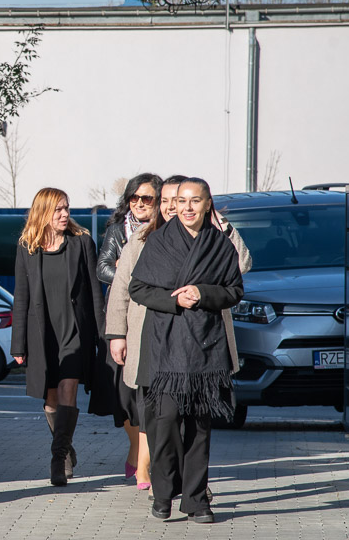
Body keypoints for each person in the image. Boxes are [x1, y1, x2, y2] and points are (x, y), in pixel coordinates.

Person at [129, 177, 244, 524]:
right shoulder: (159, 242)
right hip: (165, 348)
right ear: (174, 205)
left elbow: (235, 290)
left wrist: (204, 294)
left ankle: (196, 499)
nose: (188, 207)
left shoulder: (221, 246)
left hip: (205, 348)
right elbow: (137, 288)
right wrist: (172, 299)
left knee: (199, 428)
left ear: (208, 204)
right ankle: (163, 493)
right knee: (164, 424)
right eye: (182, 201)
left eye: (196, 201)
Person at [11, 187, 104, 487]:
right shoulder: (27, 247)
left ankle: (57, 458)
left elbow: (94, 291)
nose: (65, 214)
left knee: (68, 389)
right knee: (51, 398)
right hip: (42, 333)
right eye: (58, 210)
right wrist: (18, 343)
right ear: (43, 213)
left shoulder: (81, 243)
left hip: (74, 331)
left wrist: (104, 334)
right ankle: (65, 448)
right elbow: (21, 297)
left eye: (67, 208)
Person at [93, 173, 162, 489]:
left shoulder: (165, 231)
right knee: (120, 396)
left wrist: (130, 270)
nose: (139, 204)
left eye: (146, 198)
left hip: (154, 318)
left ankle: (145, 462)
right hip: (121, 318)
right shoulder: (117, 230)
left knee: (145, 396)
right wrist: (128, 273)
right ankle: (135, 446)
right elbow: (103, 268)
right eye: (134, 198)